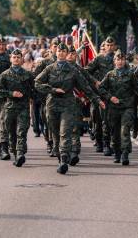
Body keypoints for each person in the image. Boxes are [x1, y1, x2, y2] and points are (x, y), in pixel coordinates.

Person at [35, 43, 105, 175]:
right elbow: (37, 83)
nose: (61, 53)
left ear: (67, 53)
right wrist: (52, 89)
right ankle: (60, 155)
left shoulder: (73, 71)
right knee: (55, 133)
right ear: (56, 53)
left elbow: (85, 87)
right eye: (59, 51)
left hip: (68, 105)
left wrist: (97, 100)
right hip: (52, 105)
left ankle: (64, 160)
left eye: (64, 51)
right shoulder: (49, 69)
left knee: (65, 132)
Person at [99, 50, 138, 165]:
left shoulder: (130, 74)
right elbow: (101, 88)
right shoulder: (110, 75)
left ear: (125, 61)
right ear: (114, 61)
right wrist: (110, 97)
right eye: (118, 59)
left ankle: (125, 153)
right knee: (115, 132)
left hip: (127, 107)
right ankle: (117, 152)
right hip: (113, 108)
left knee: (124, 130)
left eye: (122, 59)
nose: (120, 62)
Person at [0, 49, 34, 167]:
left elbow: (34, 89)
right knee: (11, 133)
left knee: (21, 131)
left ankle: (20, 153)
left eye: (18, 57)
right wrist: (11, 94)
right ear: (10, 59)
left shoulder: (28, 74)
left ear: (22, 59)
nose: (16, 59)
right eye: (14, 57)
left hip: (23, 107)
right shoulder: (5, 74)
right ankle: (16, 154)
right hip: (10, 107)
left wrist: (32, 97)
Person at [66, 46, 98, 166]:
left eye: (73, 54)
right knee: (63, 130)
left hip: (76, 103)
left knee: (75, 127)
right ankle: (64, 152)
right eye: (69, 54)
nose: (71, 56)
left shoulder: (79, 69)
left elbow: (88, 80)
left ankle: (74, 152)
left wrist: (97, 84)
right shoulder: (56, 68)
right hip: (60, 104)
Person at [85, 36, 116, 155]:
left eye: (111, 45)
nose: (109, 47)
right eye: (107, 45)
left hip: (114, 94)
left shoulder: (118, 59)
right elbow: (86, 71)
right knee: (98, 120)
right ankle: (100, 142)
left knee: (111, 120)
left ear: (115, 46)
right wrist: (95, 81)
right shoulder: (99, 59)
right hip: (100, 95)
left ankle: (110, 144)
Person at [33, 37, 60, 153]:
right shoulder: (44, 62)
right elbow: (34, 78)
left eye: (59, 46)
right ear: (51, 48)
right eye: (55, 46)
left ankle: (58, 144)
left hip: (62, 98)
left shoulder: (67, 63)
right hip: (46, 98)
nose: (57, 48)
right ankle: (49, 142)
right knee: (47, 121)